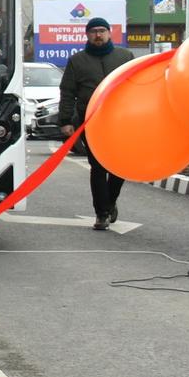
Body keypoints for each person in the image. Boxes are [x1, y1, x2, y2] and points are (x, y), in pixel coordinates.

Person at [58, 16, 134, 230]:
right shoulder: (77, 60)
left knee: (119, 166)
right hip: (90, 122)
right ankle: (101, 214)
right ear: (87, 35)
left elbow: (135, 87)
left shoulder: (125, 56)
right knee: (98, 167)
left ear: (109, 33)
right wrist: (65, 120)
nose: (98, 35)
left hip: (120, 122)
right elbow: (67, 92)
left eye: (102, 30)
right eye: (93, 31)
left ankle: (110, 202)